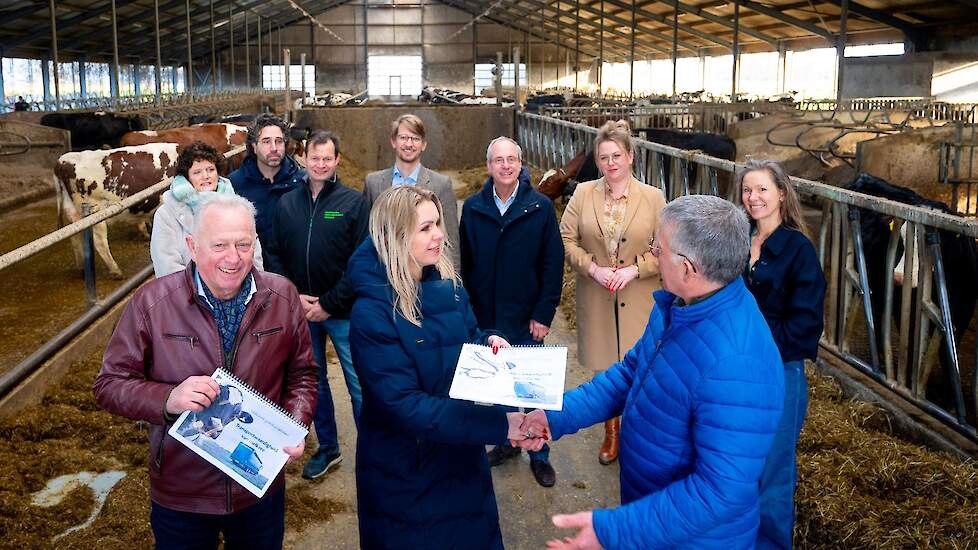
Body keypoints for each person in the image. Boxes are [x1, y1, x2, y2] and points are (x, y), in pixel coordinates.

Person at [518, 195, 785, 549]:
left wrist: (615, 530)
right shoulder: (680, 304)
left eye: (659, 248)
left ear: (688, 268)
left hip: (692, 539)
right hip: (652, 513)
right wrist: (557, 417)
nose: (652, 255)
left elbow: (720, 492)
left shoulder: (737, 364)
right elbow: (631, 372)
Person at [93, 193, 318, 550]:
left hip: (257, 486)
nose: (233, 257)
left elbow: (303, 373)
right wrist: (168, 398)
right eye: (219, 245)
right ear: (192, 247)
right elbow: (109, 384)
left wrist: (293, 424)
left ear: (255, 243)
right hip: (183, 492)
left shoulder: (282, 296)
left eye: (243, 244)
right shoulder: (152, 303)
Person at [348, 185, 530, 550]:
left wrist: (489, 343)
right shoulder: (372, 313)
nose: (440, 236)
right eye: (426, 228)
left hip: (460, 456)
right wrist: (499, 425)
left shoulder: (448, 286)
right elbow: (406, 406)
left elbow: (468, 339)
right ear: (396, 237)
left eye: (438, 224)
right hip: (407, 471)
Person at [558, 119, 666, 465]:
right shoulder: (582, 193)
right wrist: (593, 269)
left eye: (617, 155)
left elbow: (666, 248)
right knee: (606, 370)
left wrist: (636, 269)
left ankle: (640, 432)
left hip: (639, 296)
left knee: (642, 367)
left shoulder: (653, 197)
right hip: (597, 293)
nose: (610, 163)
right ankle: (612, 431)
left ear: (631, 156)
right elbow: (566, 239)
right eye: (604, 157)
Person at [458, 136, 564, 487]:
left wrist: (544, 313)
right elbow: (467, 265)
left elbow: (553, 263)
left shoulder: (540, 207)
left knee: (531, 389)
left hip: (526, 316)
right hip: (488, 317)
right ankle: (507, 442)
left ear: (520, 164)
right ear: (488, 166)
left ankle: (539, 452)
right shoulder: (473, 208)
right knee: (498, 387)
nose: (505, 166)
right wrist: (471, 315)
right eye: (498, 160)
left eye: (511, 160)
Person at [265, 130, 369, 480]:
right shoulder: (286, 203)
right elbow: (273, 253)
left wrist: (328, 303)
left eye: (327, 158)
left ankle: (373, 450)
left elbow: (361, 261)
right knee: (314, 381)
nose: (320, 164)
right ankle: (328, 447)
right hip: (300, 311)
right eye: (315, 158)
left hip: (343, 311)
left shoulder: (354, 203)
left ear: (337, 160)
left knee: (359, 382)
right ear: (304, 159)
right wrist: (293, 296)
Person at [736, 159, 826, 549]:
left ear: (782, 194)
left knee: (773, 468)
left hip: (779, 372)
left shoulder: (798, 249)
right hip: (734, 370)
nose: (753, 197)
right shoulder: (738, 240)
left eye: (762, 189)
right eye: (747, 190)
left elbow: (806, 326)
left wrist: (756, 342)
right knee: (738, 462)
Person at [151, 140, 264, 277]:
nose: (205, 176)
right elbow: (166, 264)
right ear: (187, 177)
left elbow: (253, 252)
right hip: (189, 288)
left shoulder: (238, 208)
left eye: (210, 170)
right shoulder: (167, 214)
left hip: (238, 284)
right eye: (197, 172)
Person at [363, 114, 461, 266]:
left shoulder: (441, 185)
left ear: (423, 145)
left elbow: (450, 240)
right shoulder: (373, 183)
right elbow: (367, 234)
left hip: (425, 270)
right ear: (393, 141)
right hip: (382, 269)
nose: (409, 144)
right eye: (403, 137)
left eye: (415, 138)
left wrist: (450, 278)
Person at [229, 113, 305, 269]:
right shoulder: (234, 185)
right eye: (266, 141)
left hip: (294, 271)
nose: (274, 148)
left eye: (279, 141)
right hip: (250, 271)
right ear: (254, 146)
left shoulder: (302, 182)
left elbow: (328, 216)